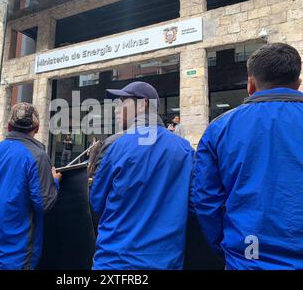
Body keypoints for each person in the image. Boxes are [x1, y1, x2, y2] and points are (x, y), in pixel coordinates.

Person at [193, 43, 303, 270]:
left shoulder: (219, 129)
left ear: (251, 84)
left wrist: (225, 247)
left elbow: (205, 202)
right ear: (298, 83)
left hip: (246, 259)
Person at [89, 81, 194, 270]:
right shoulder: (185, 149)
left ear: (143, 104)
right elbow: (195, 204)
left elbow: (96, 201)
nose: (117, 109)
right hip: (167, 261)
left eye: (122, 102)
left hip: (116, 262)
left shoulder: (116, 144)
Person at [0, 102, 61, 270]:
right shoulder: (37, 156)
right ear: (37, 127)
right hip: (14, 254)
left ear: (9, 125)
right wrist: (54, 181)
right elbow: (44, 204)